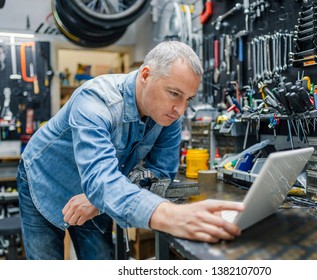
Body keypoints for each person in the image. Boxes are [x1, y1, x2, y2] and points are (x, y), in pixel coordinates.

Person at [17, 41, 244, 260]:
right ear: (145, 75)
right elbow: (101, 181)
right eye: (174, 93)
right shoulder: (95, 101)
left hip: (95, 194)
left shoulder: (169, 117)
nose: (181, 109)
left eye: (188, 99)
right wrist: (169, 215)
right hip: (44, 179)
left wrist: (97, 201)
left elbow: (160, 175)